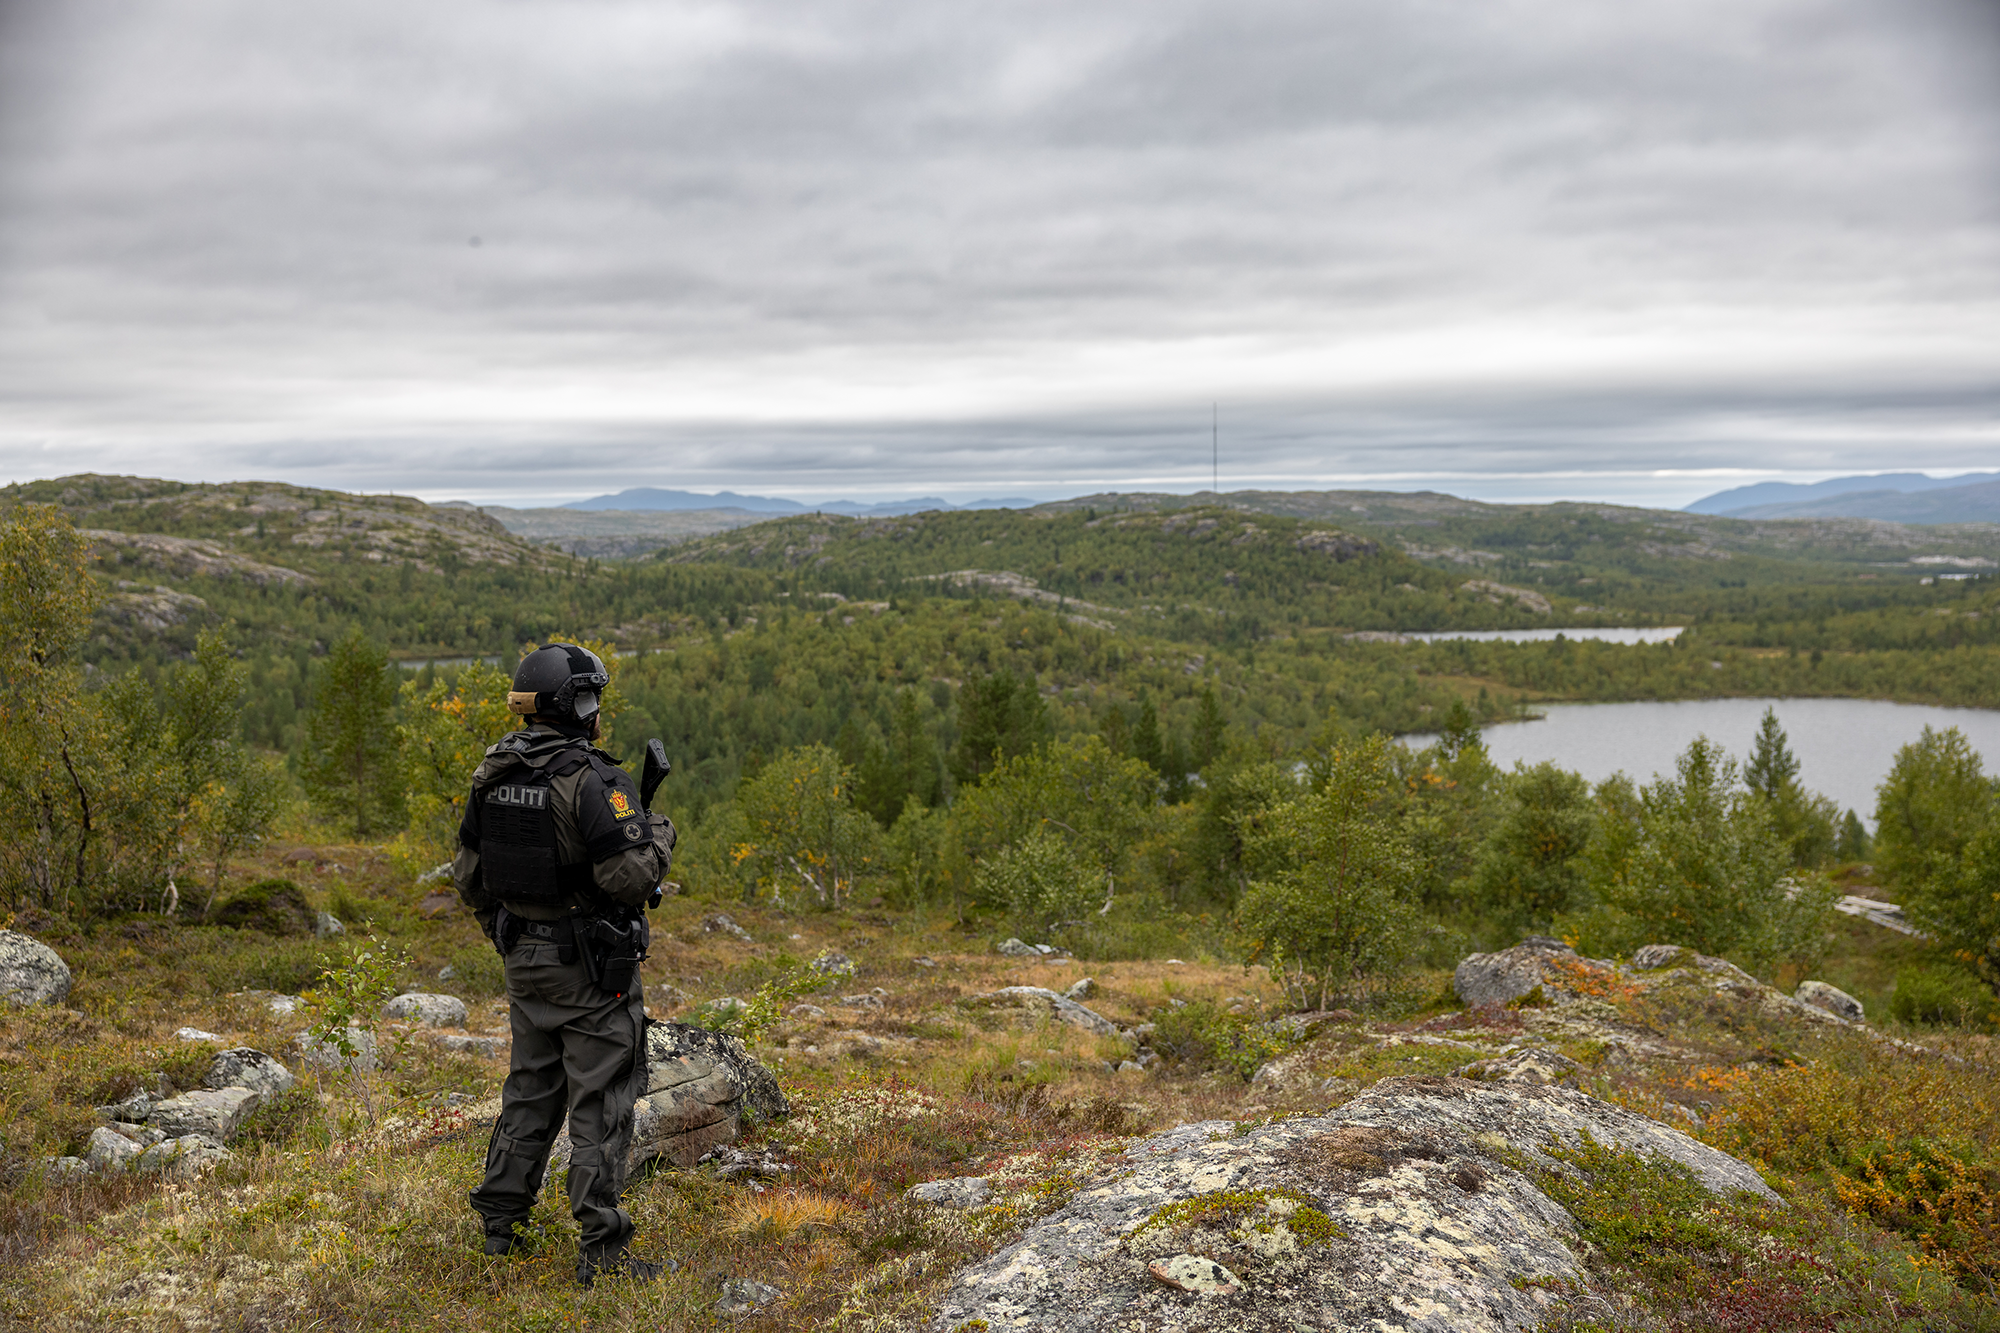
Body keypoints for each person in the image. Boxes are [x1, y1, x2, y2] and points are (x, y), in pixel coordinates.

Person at [452, 643, 677, 1287]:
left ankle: (500, 1229)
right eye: (591, 697)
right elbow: (630, 878)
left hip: (525, 963)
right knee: (601, 1100)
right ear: (572, 704)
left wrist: (511, 937)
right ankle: (603, 1251)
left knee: (530, 1090)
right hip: (590, 970)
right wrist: (659, 834)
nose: (597, 709)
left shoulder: (493, 773)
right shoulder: (594, 780)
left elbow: (468, 875)